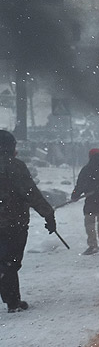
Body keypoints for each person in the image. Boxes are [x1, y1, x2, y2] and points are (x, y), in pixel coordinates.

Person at [0, 129, 57, 312]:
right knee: (10, 263)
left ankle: (11, 298)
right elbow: (30, 193)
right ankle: (12, 302)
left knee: (5, 263)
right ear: (10, 147)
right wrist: (48, 214)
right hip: (11, 223)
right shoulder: (13, 166)